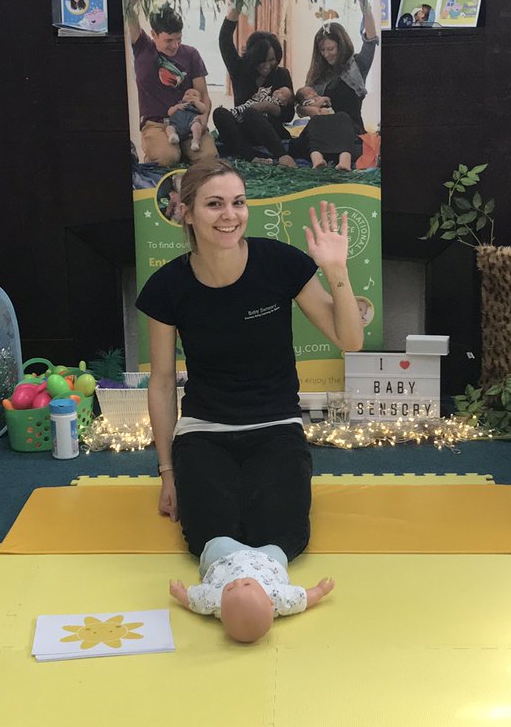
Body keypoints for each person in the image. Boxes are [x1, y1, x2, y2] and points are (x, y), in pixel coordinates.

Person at [136, 159, 363, 579]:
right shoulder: (166, 287)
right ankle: (230, 588)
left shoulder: (279, 263)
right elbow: (163, 382)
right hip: (204, 432)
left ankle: (265, 588)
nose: (230, 215)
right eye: (214, 204)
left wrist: (336, 271)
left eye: (238, 202)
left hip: (276, 426)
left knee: (281, 535)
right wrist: (167, 473)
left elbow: (350, 340)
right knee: (208, 536)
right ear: (186, 211)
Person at [169, 538, 335, 643]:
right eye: (246, 584)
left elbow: (193, 600)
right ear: (270, 602)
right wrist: (320, 591)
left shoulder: (214, 599)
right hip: (268, 559)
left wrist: (179, 593)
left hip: (227, 557)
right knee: (279, 551)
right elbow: (303, 599)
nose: (238, 581)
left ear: (221, 610)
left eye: (231, 588)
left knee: (216, 544)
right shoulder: (278, 597)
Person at [125, 0, 218, 167]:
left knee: (209, 157)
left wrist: (203, 121)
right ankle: (164, 153)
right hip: (157, 125)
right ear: (153, 34)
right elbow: (127, 7)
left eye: (179, 39)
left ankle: (184, 151)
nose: (175, 45)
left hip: (190, 122)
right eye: (169, 40)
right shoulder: (142, 47)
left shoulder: (191, 54)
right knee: (168, 157)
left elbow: (204, 94)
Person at [214, 0, 297, 166]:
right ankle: (251, 156)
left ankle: (282, 156)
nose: (268, 66)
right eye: (262, 61)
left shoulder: (281, 74)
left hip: (269, 131)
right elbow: (224, 40)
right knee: (220, 113)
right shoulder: (240, 69)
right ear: (252, 58)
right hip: (243, 132)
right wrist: (236, 7)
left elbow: (289, 115)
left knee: (252, 113)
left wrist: (268, 107)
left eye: (272, 60)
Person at [304, 0, 379, 137]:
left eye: (331, 49)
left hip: (351, 131)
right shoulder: (318, 72)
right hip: (324, 130)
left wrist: (364, 3)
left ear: (341, 46)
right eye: (322, 50)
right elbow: (301, 105)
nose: (326, 54)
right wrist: (311, 110)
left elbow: (370, 38)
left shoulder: (357, 65)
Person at [292, 86, 359, 171]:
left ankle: (344, 161)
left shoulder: (342, 115)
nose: (312, 93)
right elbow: (314, 110)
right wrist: (323, 100)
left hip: (334, 124)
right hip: (319, 127)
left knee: (343, 116)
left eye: (312, 91)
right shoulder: (310, 103)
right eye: (308, 93)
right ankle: (318, 160)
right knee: (316, 119)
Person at [165, 87, 206, 152]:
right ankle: (173, 136)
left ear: (200, 99)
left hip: (191, 125)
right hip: (176, 125)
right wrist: (176, 107)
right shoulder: (179, 104)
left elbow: (204, 109)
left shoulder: (197, 107)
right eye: (187, 94)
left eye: (194, 95)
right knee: (169, 128)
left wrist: (196, 102)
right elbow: (169, 112)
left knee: (197, 126)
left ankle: (195, 141)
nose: (190, 96)